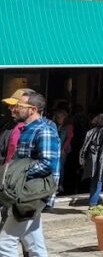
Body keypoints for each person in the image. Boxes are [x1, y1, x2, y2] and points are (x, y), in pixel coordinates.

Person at [0, 90, 58, 256]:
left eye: (19, 106)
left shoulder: (44, 130)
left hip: (30, 195)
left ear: (32, 109)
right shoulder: (27, 129)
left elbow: (48, 164)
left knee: (4, 245)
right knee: (35, 246)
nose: (14, 109)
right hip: (24, 194)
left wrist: (14, 176)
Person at [79, 112, 103, 207]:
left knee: (94, 178)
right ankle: (93, 202)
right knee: (99, 178)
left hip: (91, 158)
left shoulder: (90, 131)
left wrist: (82, 157)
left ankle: (93, 200)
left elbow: (85, 146)